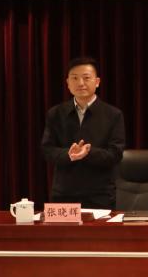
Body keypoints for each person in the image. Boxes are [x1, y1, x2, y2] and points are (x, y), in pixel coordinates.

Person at [41, 57, 125, 208]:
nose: (80, 83)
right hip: (63, 194)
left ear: (97, 82)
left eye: (86, 78)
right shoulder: (55, 113)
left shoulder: (113, 114)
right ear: (68, 83)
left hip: (100, 195)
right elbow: (47, 150)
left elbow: (116, 153)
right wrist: (69, 154)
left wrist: (88, 152)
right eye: (74, 78)